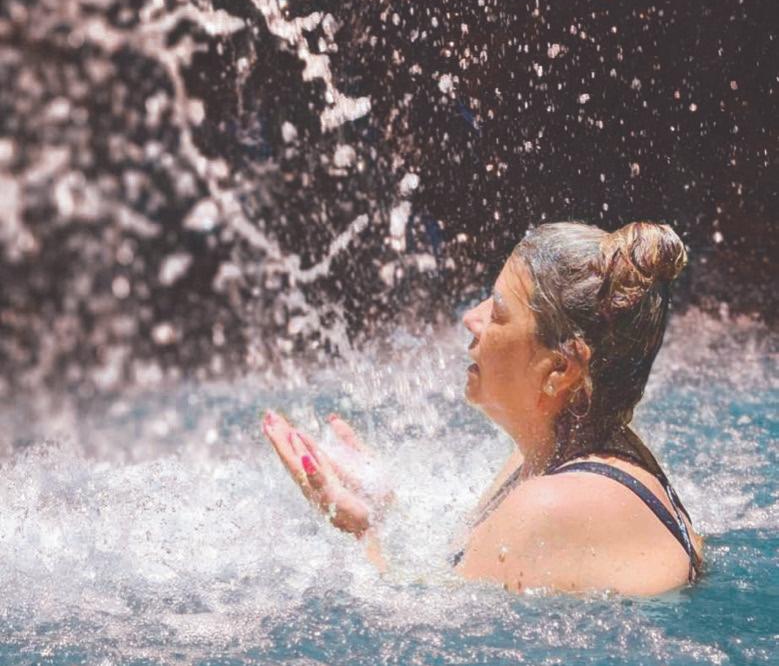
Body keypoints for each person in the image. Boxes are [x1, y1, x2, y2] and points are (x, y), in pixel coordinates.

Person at [262, 221, 703, 596]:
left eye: (499, 311)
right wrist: (383, 509)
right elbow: (446, 579)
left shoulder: (549, 503)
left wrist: (358, 531)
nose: (471, 318)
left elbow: (423, 629)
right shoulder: (541, 462)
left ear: (560, 369)